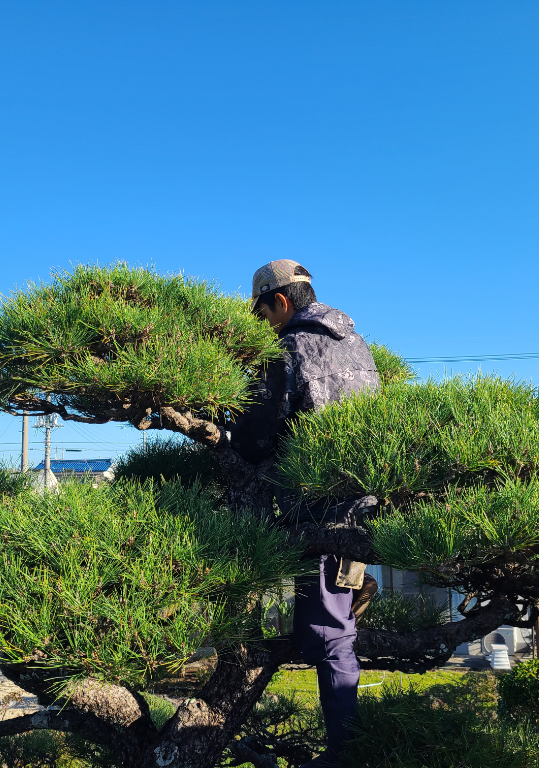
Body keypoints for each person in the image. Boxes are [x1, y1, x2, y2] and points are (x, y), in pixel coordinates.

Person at [228, 259, 380, 767]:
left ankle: (345, 755)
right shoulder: (358, 345)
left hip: (314, 513)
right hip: (359, 509)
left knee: (330, 639)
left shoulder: (289, 347)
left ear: (283, 302)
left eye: (262, 312)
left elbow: (254, 439)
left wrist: (228, 423)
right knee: (330, 623)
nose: (261, 324)